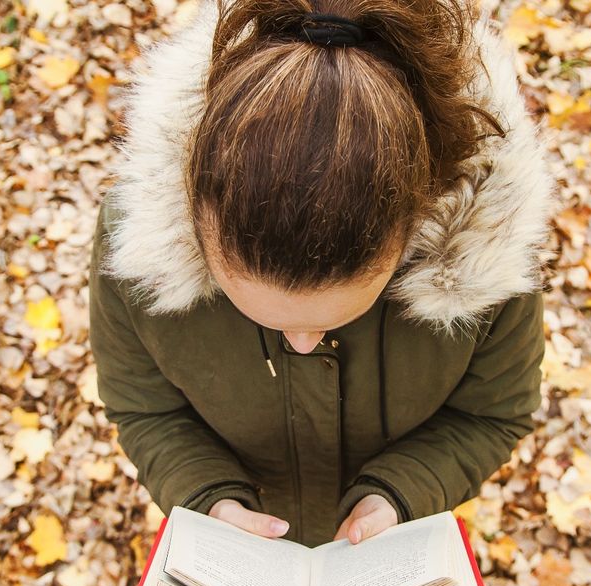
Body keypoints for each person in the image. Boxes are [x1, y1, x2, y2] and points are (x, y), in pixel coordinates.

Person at [88, 0, 558, 549]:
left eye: (338, 315)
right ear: (193, 222)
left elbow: (491, 416)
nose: (304, 346)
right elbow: (144, 408)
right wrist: (205, 498)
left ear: (416, 228)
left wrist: (401, 495)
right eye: (257, 313)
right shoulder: (135, 252)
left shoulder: (487, 263)